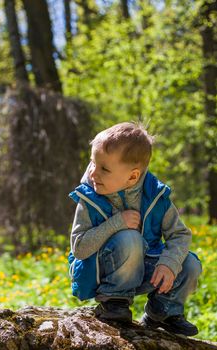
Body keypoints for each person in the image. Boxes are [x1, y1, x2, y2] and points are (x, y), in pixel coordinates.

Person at [68, 122, 202, 336]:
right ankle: (114, 303)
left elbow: (180, 235)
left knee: (190, 264)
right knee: (130, 238)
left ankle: (162, 312)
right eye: (93, 163)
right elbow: (79, 248)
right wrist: (117, 223)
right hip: (101, 271)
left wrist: (169, 264)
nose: (93, 173)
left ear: (133, 177)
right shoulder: (88, 199)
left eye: (104, 168)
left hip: (145, 268)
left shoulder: (155, 196)